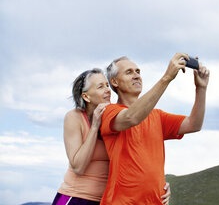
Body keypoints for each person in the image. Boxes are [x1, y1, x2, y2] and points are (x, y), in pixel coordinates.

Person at [100, 53, 210, 204]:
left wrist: (201, 88)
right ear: (114, 82)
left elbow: (194, 124)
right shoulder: (109, 112)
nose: (136, 76)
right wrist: (166, 78)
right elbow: (132, 117)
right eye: (129, 72)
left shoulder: (157, 116)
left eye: (138, 71)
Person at [52, 68, 172, 205]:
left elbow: (133, 160)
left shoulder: (114, 119)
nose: (107, 90)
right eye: (100, 87)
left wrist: (158, 185)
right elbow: (78, 167)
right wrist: (94, 127)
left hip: (106, 200)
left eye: (107, 85)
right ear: (86, 97)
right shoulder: (74, 117)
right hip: (75, 197)